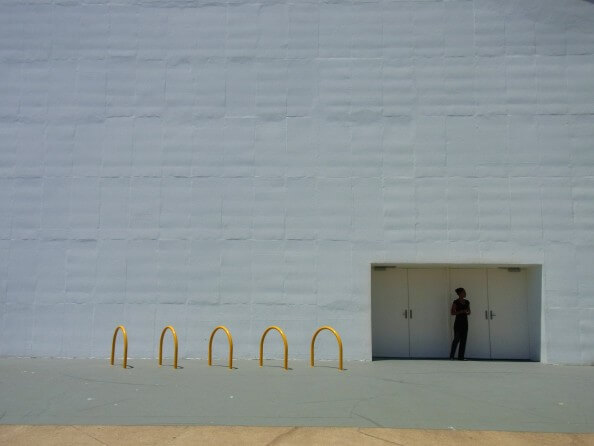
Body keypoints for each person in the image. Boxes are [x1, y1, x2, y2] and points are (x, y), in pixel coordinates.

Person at [450, 287, 470, 360]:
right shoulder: (456, 302)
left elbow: (469, 312)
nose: (465, 293)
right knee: (456, 339)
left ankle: (461, 357)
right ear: (460, 294)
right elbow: (452, 312)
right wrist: (461, 311)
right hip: (458, 323)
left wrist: (467, 311)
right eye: (464, 292)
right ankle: (451, 356)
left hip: (465, 323)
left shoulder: (467, 302)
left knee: (463, 340)